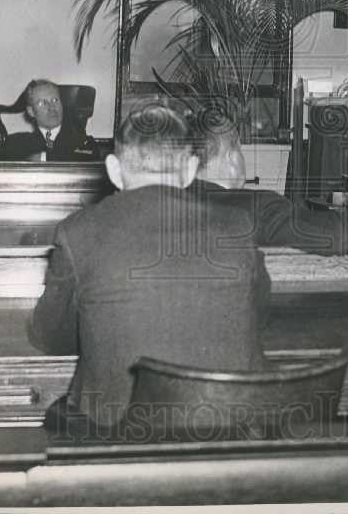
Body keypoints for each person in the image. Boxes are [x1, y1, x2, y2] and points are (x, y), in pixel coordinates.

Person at [28, 102, 270, 431]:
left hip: (118, 446)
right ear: (189, 170)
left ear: (113, 169)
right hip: (223, 441)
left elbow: (49, 338)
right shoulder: (238, 227)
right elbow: (258, 316)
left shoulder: (78, 231)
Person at [191, 110, 348, 254]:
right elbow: (337, 238)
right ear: (231, 157)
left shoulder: (171, 203)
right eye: (241, 150)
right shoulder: (260, 208)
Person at [0, 79, 99, 162]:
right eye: (42, 103)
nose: (51, 107)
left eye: (55, 100)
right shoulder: (16, 143)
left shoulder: (82, 142)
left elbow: (86, 158)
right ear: (31, 111)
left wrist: (44, 157)